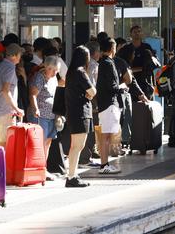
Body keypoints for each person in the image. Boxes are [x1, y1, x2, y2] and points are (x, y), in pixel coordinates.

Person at [65, 46, 96, 188]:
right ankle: (71, 176)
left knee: (77, 145)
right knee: (77, 146)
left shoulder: (71, 72)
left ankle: (72, 174)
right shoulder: (80, 72)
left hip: (73, 111)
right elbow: (92, 91)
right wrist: (89, 93)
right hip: (81, 112)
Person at [28, 55, 59, 177]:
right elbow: (33, 95)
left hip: (51, 115)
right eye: (53, 69)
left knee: (48, 142)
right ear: (47, 67)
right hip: (40, 115)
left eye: (56, 70)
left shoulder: (54, 78)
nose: (55, 72)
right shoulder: (39, 77)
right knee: (40, 143)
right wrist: (35, 108)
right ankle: (38, 169)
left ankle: (43, 168)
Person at [96, 39, 122, 174]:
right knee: (106, 136)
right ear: (112, 48)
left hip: (104, 103)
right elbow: (112, 86)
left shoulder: (102, 63)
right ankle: (104, 165)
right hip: (109, 103)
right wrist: (121, 88)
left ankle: (104, 164)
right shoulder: (108, 63)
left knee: (105, 136)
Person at [0, 44, 24, 146]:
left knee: (0, 142)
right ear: (14, 55)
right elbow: (6, 90)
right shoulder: (10, 68)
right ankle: (3, 163)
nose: (20, 57)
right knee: (6, 144)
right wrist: (16, 109)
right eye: (19, 54)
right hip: (6, 111)